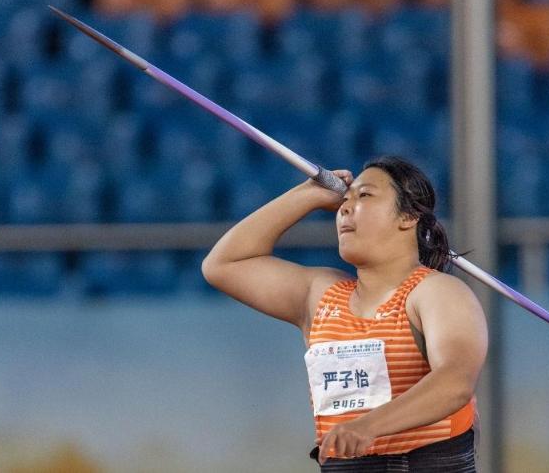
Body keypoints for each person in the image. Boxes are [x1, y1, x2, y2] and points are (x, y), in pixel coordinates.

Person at [202, 155, 488, 471]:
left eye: (364, 195)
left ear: (407, 216)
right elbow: (223, 264)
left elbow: (455, 382)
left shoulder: (436, 292)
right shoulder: (320, 295)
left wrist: (368, 426)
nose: (345, 209)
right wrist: (307, 195)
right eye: (344, 200)